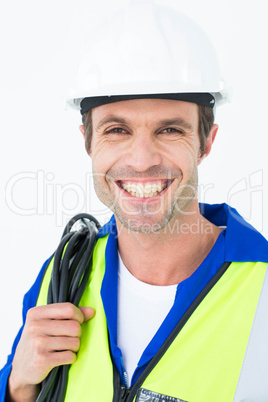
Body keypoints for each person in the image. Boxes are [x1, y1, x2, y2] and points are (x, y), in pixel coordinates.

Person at [1, 1, 268, 401]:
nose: (142, 160)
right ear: (88, 141)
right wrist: (19, 386)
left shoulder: (261, 288)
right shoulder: (63, 275)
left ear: (206, 143)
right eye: (117, 130)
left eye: (170, 130)